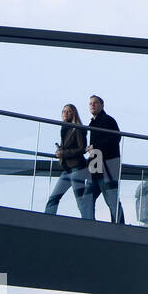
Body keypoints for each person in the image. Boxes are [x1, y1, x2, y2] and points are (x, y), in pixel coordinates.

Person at [45, 104, 94, 219]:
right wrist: (60, 151)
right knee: (54, 197)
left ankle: (89, 224)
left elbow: (82, 148)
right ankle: (46, 220)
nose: (65, 113)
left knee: (81, 201)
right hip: (67, 169)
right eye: (63, 111)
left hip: (77, 168)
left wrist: (64, 153)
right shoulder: (64, 128)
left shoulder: (77, 128)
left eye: (68, 111)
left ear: (74, 113)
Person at [86, 94, 125, 224]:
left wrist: (95, 146)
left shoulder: (108, 120)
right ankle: (89, 224)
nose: (92, 105)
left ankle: (119, 226)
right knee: (88, 198)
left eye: (95, 103)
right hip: (96, 167)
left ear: (102, 105)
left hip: (107, 166)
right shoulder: (93, 122)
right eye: (90, 103)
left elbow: (115, 138)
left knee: (111, 199)